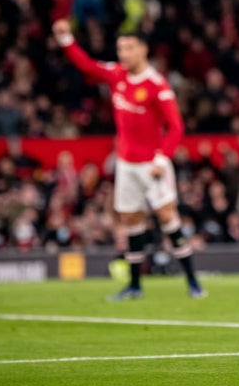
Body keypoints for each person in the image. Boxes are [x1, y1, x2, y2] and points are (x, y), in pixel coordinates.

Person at [52, 18, 205, 300]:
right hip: (126, 164)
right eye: (120, 48)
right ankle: (135, 286)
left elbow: (176, 127)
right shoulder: (117, 75)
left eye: (129, 48)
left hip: (152, 164)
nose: (123, 54)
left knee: (167, 217)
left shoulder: (157, 84)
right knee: (132, 219)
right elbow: (87, 65)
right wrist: (66, 40)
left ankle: (193, 281)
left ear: (143, 50)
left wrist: (162, 159)